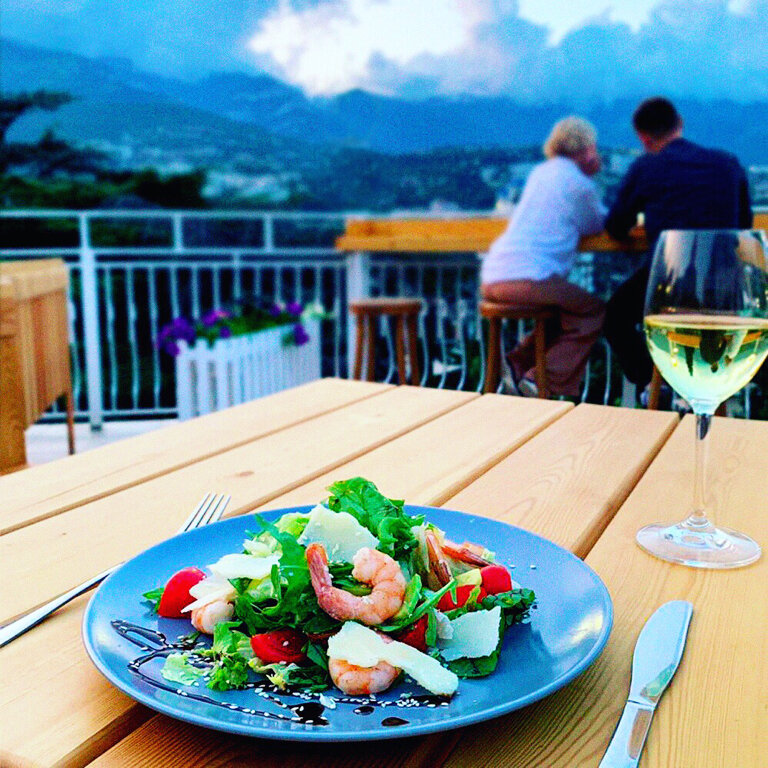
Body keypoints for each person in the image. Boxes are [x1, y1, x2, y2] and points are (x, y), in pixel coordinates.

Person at [604, 97, 753, 392]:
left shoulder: (647, 167)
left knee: (615, 319)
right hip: (726, 286)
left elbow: (616, 225)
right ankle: (712, 392)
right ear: (680, 124)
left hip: (671, 283)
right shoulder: (728, 163)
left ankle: (654, 384)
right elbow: (744, 223)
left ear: (643, 137)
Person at [480, 116, 606, 398]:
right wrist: (591, 175)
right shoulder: (579, 184)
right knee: (592, 310)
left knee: (561, 313)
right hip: (528, 277)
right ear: (587, 149)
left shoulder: (541, 173)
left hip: (493, 276)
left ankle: (516, 366)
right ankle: (542, 380)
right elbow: (595, 223)